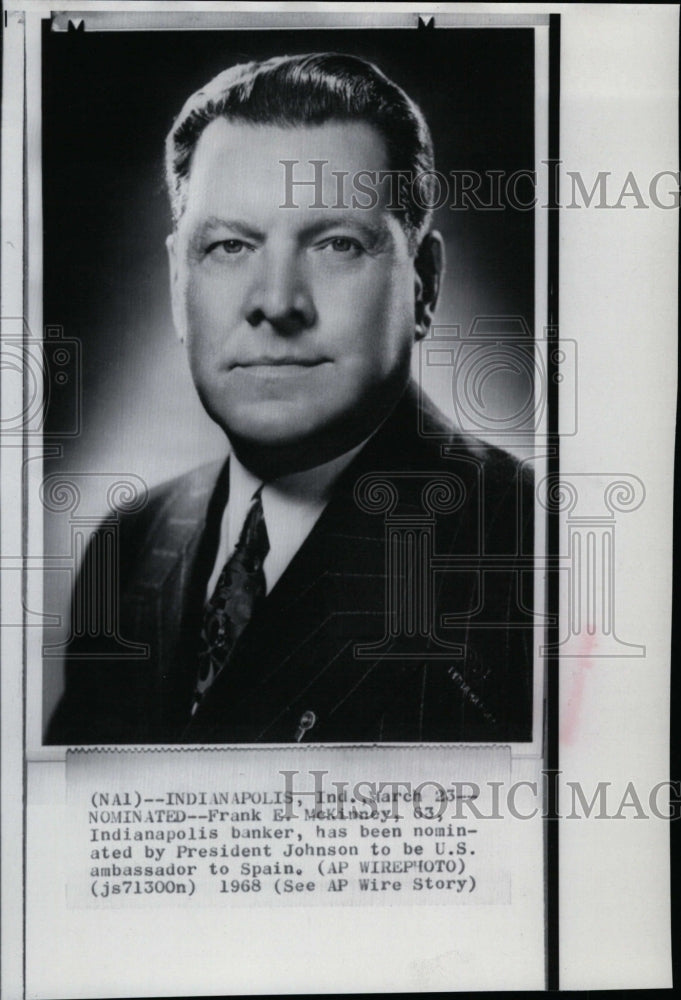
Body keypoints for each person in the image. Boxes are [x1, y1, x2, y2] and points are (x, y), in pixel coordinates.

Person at [46, 52, 534, 745]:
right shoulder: (127, 546)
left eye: (335, 244)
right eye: (228, 246)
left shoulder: (528, 555)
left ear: (422, 284)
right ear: (175, 282)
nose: (276, 303)